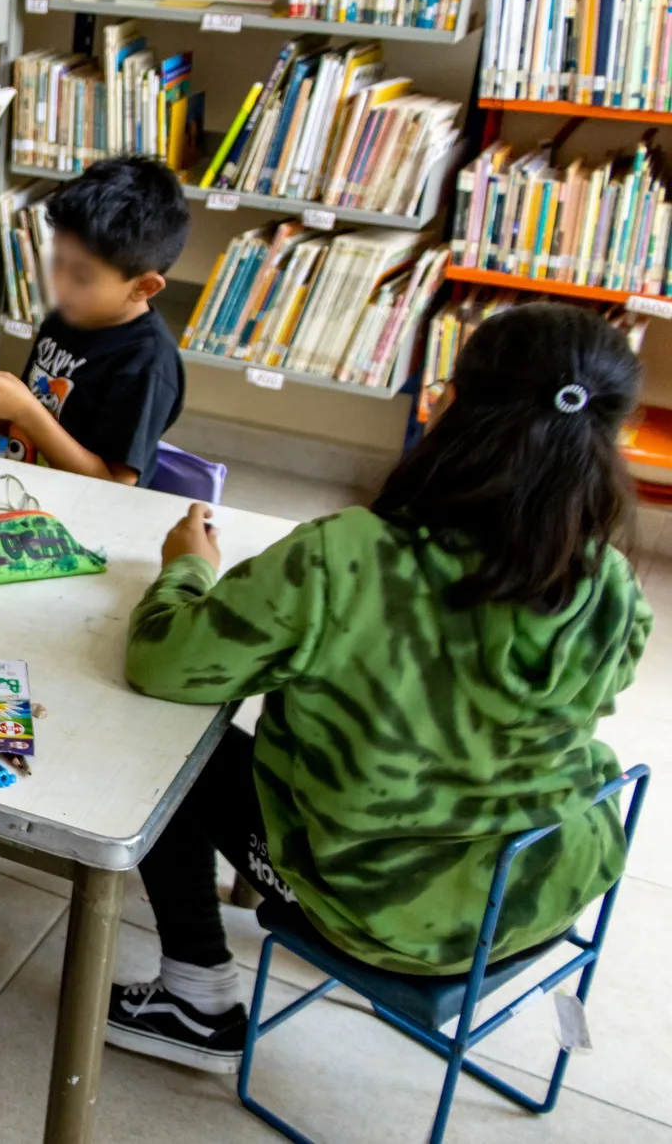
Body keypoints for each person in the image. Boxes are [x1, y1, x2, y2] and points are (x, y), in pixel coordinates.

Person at [106, 302, 649, 1074]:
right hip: (545, 886)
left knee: (162, 744)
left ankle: (196, 995)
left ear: (451, 407)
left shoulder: (348, 556)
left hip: (377, 910)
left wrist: (186, 567)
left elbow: (162, 664)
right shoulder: (612, 580)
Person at [0, 156, 188, 485]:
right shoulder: (66, 317)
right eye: (57, 262)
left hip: (83, 517)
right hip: (28, 490)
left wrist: (27, 410)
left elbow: (114, 485)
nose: (60, 284)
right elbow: (34, 428)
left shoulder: (147, 365)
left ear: (144, 286)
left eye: (82, 276)